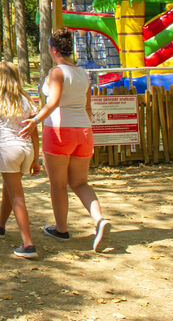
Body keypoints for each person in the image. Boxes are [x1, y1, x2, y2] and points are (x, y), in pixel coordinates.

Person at [20, 27, 111, 252]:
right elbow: (88, 106)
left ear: (53, 49)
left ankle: (61, 228)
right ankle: (99, 219)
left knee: (58, 184)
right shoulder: (82, 73)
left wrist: (36, 120)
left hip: (60, 131)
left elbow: (54, 102)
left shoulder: (56, 72)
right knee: (80, 182)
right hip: (83, 131)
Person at [0, 61, 41, 258]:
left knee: (17, 196)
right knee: (9, 189)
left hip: (8, 149)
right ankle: (0, 224)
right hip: (26, 150)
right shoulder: (27, 100)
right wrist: (36, 159)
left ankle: (28, 243)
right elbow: (34, 133)